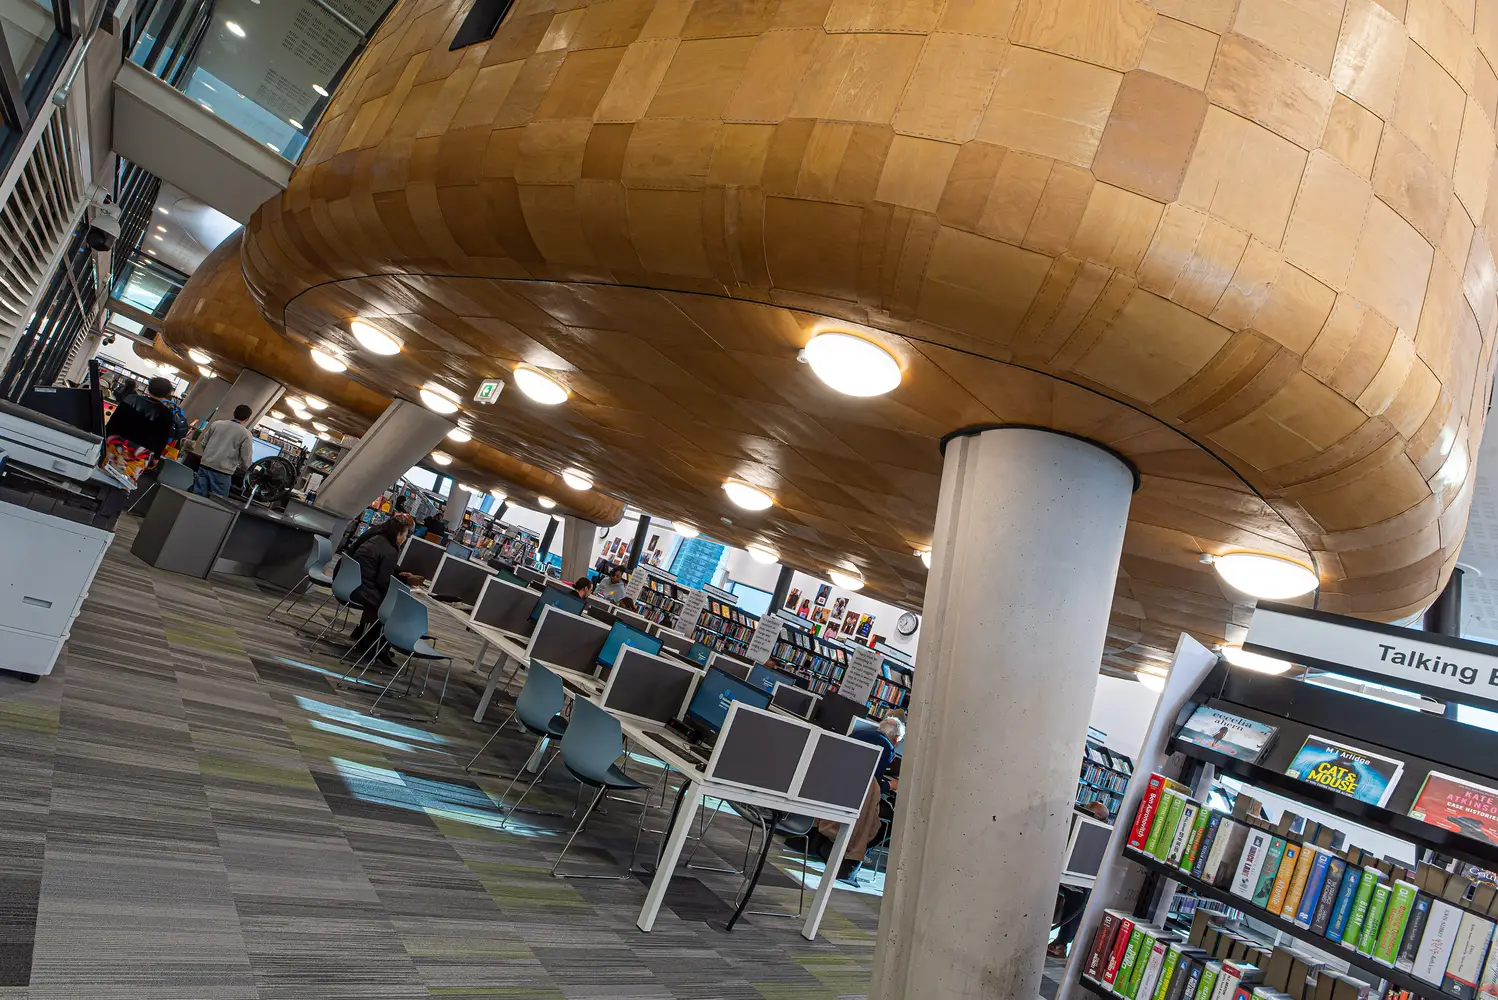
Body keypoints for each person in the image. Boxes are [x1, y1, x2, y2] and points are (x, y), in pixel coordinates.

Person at [805, 714, 906, 881]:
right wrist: (891, 785)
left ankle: (830, 846)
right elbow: (870, 785)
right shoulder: (887, 748)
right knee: (888, 820)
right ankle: (853, 857)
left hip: (834, 793)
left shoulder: (858, 733)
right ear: (896, 737)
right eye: (900, 740)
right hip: (856, 798)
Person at [346, 514, 420, 657]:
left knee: (387, 602)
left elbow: (378, 564)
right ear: (398, 533)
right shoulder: (390, 550)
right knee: (395, 607)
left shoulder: (376, 539)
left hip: (352, 583)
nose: (405, 538)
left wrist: (397, 573)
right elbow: (383, 581)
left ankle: (365, 637)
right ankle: (377, 648)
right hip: (363, 591)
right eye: (406, 535)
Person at [1048, 800, 1112, 958]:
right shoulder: (1071, 818)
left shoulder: (1102, 834)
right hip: (1053, 870)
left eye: (1096, 816)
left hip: (1075, 881)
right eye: (1087, 809)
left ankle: (1061, 944)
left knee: (1079, 899)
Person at [102, 376, 187, 487]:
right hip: (140, 455)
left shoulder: (131, 399)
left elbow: (113, 422)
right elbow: (161, 440)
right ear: (168, 394)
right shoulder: (167, 414)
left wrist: (104, 437)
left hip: (115, 445)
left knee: (102, 474)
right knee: (123, 484)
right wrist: (155, 458)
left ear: (148, 388)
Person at [191, 404, 254, 498]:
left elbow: (204, 443)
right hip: (222, 472)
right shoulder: (246, 434)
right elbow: (246, 457)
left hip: (205, 465)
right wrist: (248, 470)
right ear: (247, 419)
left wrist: (209, 455)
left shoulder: (216, 424)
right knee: (217, 501)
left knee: (197, 497)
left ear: (234, 412)